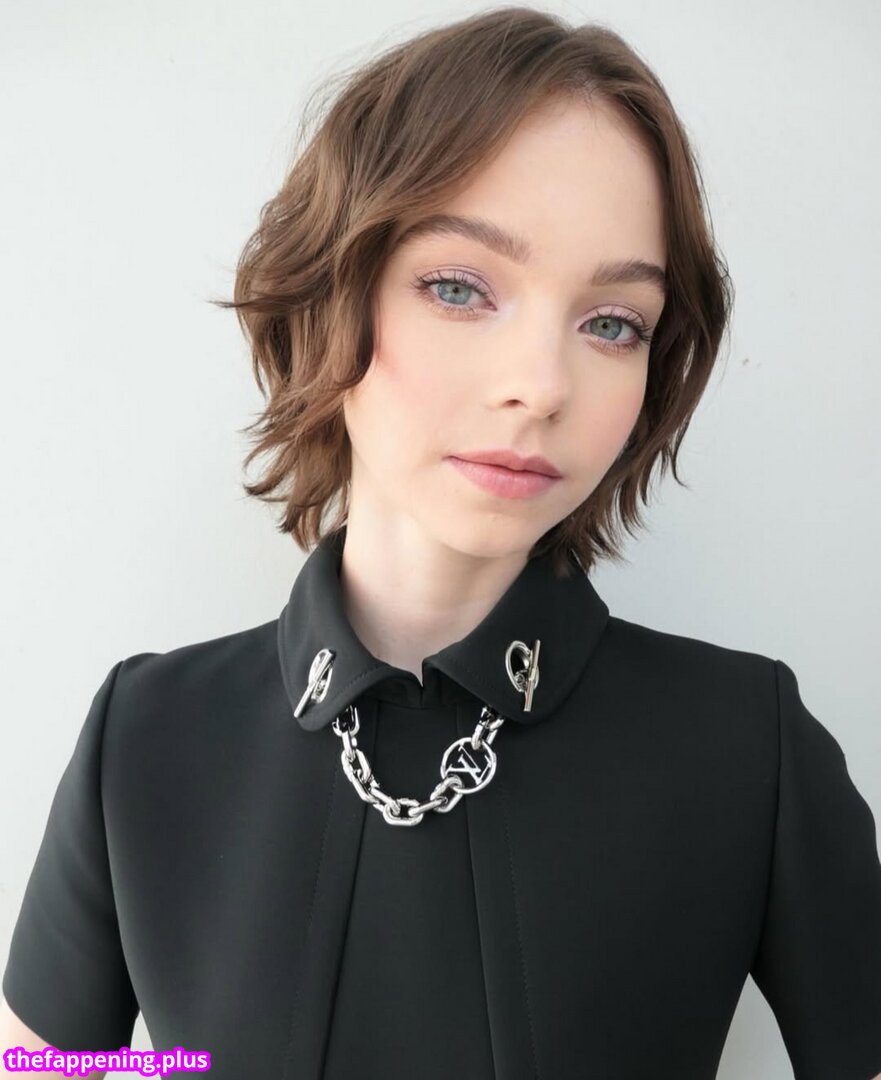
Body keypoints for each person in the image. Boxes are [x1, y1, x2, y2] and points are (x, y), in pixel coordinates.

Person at [3, 7, 881, 1080]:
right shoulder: (145, 735)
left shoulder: (747, 746)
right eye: (458, 288)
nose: (542, 386)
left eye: (613, 323)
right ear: (332, 294)